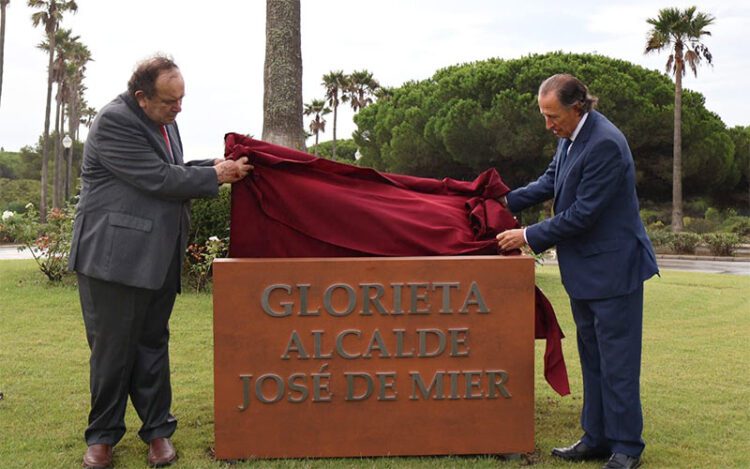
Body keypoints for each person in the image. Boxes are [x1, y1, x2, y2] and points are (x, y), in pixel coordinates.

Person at [68, 54, 252, 469]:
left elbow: (172, 169)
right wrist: (216, 176)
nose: (179, 108)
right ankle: (101, 438)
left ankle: (158, 433)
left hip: (156, 258)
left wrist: (217, 167)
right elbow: (157, 178)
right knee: (112, 352)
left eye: (181, 99)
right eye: (171, 101)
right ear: (141, 97)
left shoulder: (164, 121)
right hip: (112, 261)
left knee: (153, 346)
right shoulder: (114, 122)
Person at [497, 74, 658, 469]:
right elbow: (551, 181)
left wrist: (527, 234)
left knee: (617, 362)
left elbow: (583, 214)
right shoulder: (570, 137)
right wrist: (501, 199)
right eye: (544, 116)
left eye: (553, 116)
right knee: (592, 357)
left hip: (613, 270)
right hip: (585, 271)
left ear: (578, 106)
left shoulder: (604, 143)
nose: (548, 125)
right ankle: (597, 436)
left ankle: (626, 448)